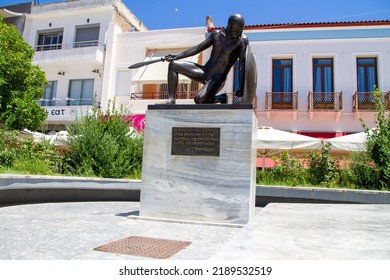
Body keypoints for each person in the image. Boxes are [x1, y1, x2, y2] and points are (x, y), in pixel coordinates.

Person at [163, 14, 248, 104]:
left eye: (240, 31)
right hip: (205, 71)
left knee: (199, 100)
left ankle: (220, 98)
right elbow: (197, 48)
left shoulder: (242, 41)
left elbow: (242, 65)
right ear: (229, 26)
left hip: (217, 79)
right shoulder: (216, 34)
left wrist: (241, 88)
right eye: (235, 32)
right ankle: (171, 99)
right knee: (173, 65)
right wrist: (176, 56)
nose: (238, 34)